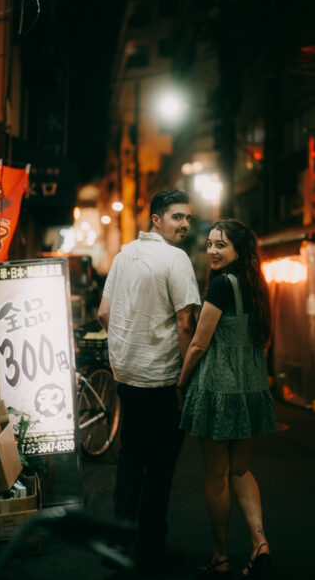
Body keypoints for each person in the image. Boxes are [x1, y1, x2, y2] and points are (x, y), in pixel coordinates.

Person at [98, 189, 201, 572]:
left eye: (188, 218)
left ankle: (118, 541)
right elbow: (186, 322)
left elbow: (104, 312)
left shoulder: (124, 256)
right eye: (177, 217)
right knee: (160, 465)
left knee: (130, 457)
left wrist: (127, 349)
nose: (185, 224)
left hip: (128, 374)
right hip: (162, 377)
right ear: (156, 219)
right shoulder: (176, 259)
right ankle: (151, 547)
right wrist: (185, 379)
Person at [179, 219, 276, 579]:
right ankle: (259, 542)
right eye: (209, 245)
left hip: (218, 389)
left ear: (238, 250)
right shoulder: (256, 285)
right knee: (241, 470)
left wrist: (181, 382)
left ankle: (220, 556)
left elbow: (199, 344)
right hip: (249, 388)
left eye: (221, 245)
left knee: (217, 475)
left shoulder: (221, 287)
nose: (213, 252)